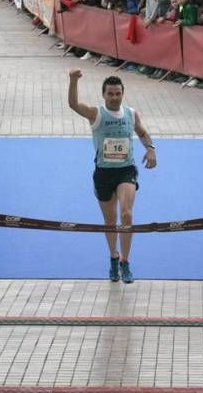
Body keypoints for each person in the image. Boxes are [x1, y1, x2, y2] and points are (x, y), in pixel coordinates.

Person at [67, 70, 157, 284]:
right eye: (111, 94)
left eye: (118, 93)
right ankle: (114, 258)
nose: (114, 97)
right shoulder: (95, 114)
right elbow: (73, 104)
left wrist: (151, 148)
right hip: (103, 173)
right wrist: (73, 81)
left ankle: (126, 262)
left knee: (126, 215)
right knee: (110, 220)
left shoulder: (131, 114)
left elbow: (142, 133)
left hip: (126, 170)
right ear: (104, 95)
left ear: (123, 94)